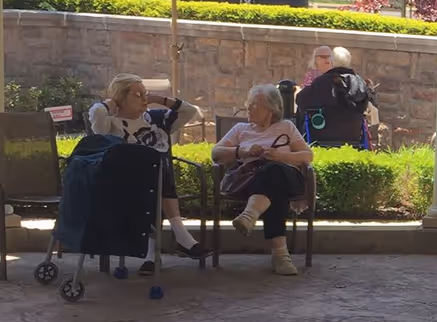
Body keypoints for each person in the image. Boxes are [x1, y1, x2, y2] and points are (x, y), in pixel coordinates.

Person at [87, 74, 205, 273]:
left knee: (156, 168)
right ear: (121, 99)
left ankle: (152, 257)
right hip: (124, 187)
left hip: (156, 184)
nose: (144, 99)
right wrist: (110, 104)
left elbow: (189, 110)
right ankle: (180, 237)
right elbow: (96, 114)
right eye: (137, 95)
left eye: (145, 94)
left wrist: (159, 99)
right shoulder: (110, 125)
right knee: (155, 165)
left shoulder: (157, 119)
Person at [212, 83, 313, 277]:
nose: (249, 108)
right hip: (250, 181)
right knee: (275, 188)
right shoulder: (241, 129)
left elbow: (307, 156)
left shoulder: (286, 127)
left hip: (287, 177)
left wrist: (279, 156)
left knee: (275, 171)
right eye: (248, 104)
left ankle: (249, 215)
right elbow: (216, 153)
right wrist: (243, 151)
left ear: (271, 108)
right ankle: (281, 257)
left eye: (254, 105)